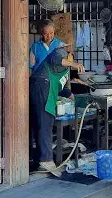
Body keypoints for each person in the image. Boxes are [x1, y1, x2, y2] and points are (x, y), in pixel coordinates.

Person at [29, 42, 85, 175]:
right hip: (41, 86)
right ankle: (46, 160)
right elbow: (56, 60)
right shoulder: (60, 52)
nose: (72, 61)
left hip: (46, 90)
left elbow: (64, 89)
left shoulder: (65, 70)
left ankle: (40, 159)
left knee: (44, 123)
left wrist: (74, 99)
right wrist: (74, 64)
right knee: (45, 122)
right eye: (72, 59)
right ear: (70, 54)